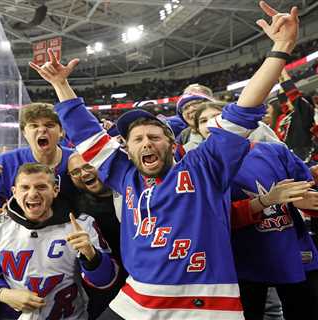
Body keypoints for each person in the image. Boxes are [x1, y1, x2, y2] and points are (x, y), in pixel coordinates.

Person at [29, 2, 299, 318]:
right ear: (126, 149)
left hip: (203, 304)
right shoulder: (122, 174)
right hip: (136, 297)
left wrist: (280, 48)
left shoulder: (204, 168)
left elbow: (244, 109)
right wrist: (61, 84)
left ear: (171, 142)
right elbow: (86, 132)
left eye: (154, 136)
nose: (146, 143)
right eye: (138, 139)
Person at [193, 102, 318, 320]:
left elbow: (308, 195)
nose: (212, 123)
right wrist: (265, 201)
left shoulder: (276, 151)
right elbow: (212, 219)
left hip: (293, 250)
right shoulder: (198, 170)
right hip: (242, 259)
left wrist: (303, 200)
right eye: (203, 121)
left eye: (219, 116)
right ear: (196, 130)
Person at [0, 163, 118, 320]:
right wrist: (4, 294)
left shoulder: (82, 225)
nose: (33, 193)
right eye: (25, 187)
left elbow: (106, 282)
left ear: (55, 190)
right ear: (14, 192)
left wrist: (92, 257)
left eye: (41, 187)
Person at [0, 103, 77, 217]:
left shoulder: (77, 160)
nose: (42, 129)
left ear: (61, 131)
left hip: (70, 230)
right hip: (21, 232)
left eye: (49, 125)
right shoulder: (7, 163)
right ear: (24, 133)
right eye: (34, 126)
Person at [68, 152, 127, 319]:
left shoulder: (135, 192)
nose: (84, 173)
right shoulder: (72, 207)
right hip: (103, 291)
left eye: (88, 166)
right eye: (76, 172)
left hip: (142, 281)